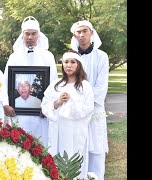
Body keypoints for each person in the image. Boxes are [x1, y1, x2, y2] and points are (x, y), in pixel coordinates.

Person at [3, 16, 59, 147]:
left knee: (40, 145)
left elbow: (53, 83)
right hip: (18, 113)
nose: (30, 37)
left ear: (39, 35)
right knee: (19, 144)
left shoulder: (47, 56)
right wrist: (6, 104)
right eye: (27, 34)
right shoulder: (14, 56)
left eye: (33, 34)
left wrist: (48, 107)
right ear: (22, 35)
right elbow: (6, 82)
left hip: (40, 113)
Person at [41, 50, 94, 179]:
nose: (68, 65)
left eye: (72, 62)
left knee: (74, 160)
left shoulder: (85, 86)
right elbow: (45, 106)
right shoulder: (55, 85)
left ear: (78, 65)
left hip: (76, 131)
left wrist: (71, 101)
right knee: (57, 160)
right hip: (58, 131)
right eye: (66, 62)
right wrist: (58, 102)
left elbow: (88, 108)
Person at [70, 20, 109, 180]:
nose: (82, 35)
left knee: (96, 149)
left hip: (94, 110)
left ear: (91, 32)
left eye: (85, 31)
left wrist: (86, 104)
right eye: (78, 32)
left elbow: (101, 86)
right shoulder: (71, 57)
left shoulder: (101, 56)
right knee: (78, 147)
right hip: (76, 110)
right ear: (74, 35)